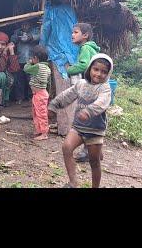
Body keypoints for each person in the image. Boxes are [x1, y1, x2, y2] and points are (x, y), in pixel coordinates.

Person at [48, 54, 113, 188]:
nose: (99, 74)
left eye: (104, 72)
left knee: (94, 162)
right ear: (89, 69)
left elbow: (102, 103)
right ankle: (73, 182)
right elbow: (67, 95)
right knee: (66, 147)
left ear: (108, 74)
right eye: (96, 69)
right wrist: (54, 106)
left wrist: (88, 111)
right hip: (78, 127)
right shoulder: (81, 84)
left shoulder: (105, 88)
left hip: (95, 131)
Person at [65, 22, 100, 162]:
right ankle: (94, 151)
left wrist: (70, 70)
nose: (72, 35)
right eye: (72, 32)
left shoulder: (85, 47)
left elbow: (84, 65)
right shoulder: (90, 48)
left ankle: (88, 151)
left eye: (75, 32)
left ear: (85, 35)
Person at [23, 45, 52, 140]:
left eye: (32, 58)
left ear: (36, 58)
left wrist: (29, 62)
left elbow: (26, 69)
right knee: (37, 112)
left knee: (41, 114)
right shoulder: (47, 68)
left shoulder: (38, 67)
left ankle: (44, 133)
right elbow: (49, 83)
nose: (31, 59)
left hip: (39, 95)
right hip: (42, 93)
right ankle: (39, 130)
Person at [10, 21, 41, 103]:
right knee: (19, 80)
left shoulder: (35, 31)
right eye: (22, 24)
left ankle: (31, 97)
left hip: (31, 60)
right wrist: (17, 37)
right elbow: (12, 39)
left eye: (26, 24)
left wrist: (31, 37)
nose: (24, 26)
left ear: (30, 24)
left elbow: (41, 37)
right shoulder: (17, 31)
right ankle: (20, 98)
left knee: (31, 80)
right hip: (20, 60)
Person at [0, 31, 20, 106]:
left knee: (12, 76)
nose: (0, 47)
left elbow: (15, 69)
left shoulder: (7, 52)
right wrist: (4, 53)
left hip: (4, 80)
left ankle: (5, 100)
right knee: (1, 75)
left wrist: (11, 52)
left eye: (3, 44)